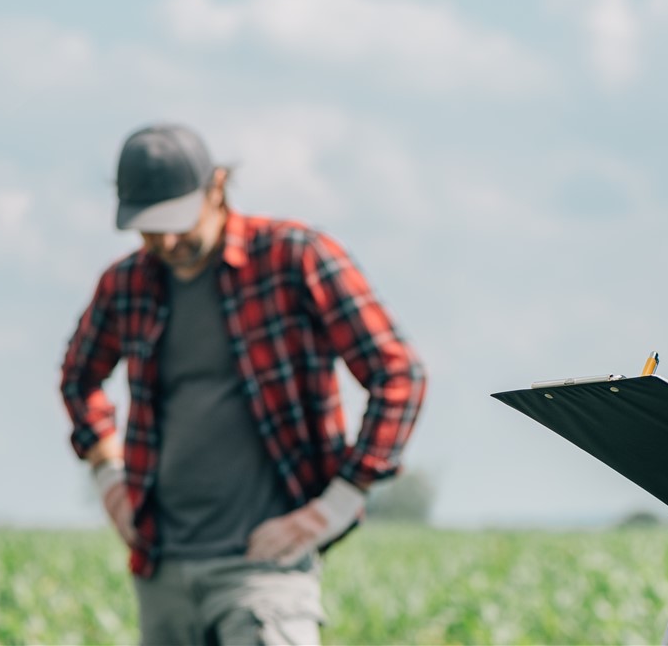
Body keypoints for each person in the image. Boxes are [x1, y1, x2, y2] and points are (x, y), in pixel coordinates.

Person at [60, 124, 427, 645]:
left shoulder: (295, 257)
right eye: (147, 228)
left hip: (264, 570)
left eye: (174, 222)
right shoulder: (127, 284)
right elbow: (79, 378)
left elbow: (399, 374)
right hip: (162, 567)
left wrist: (338, 505)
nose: (164, 241)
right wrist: (108, 476)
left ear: (217, 189)